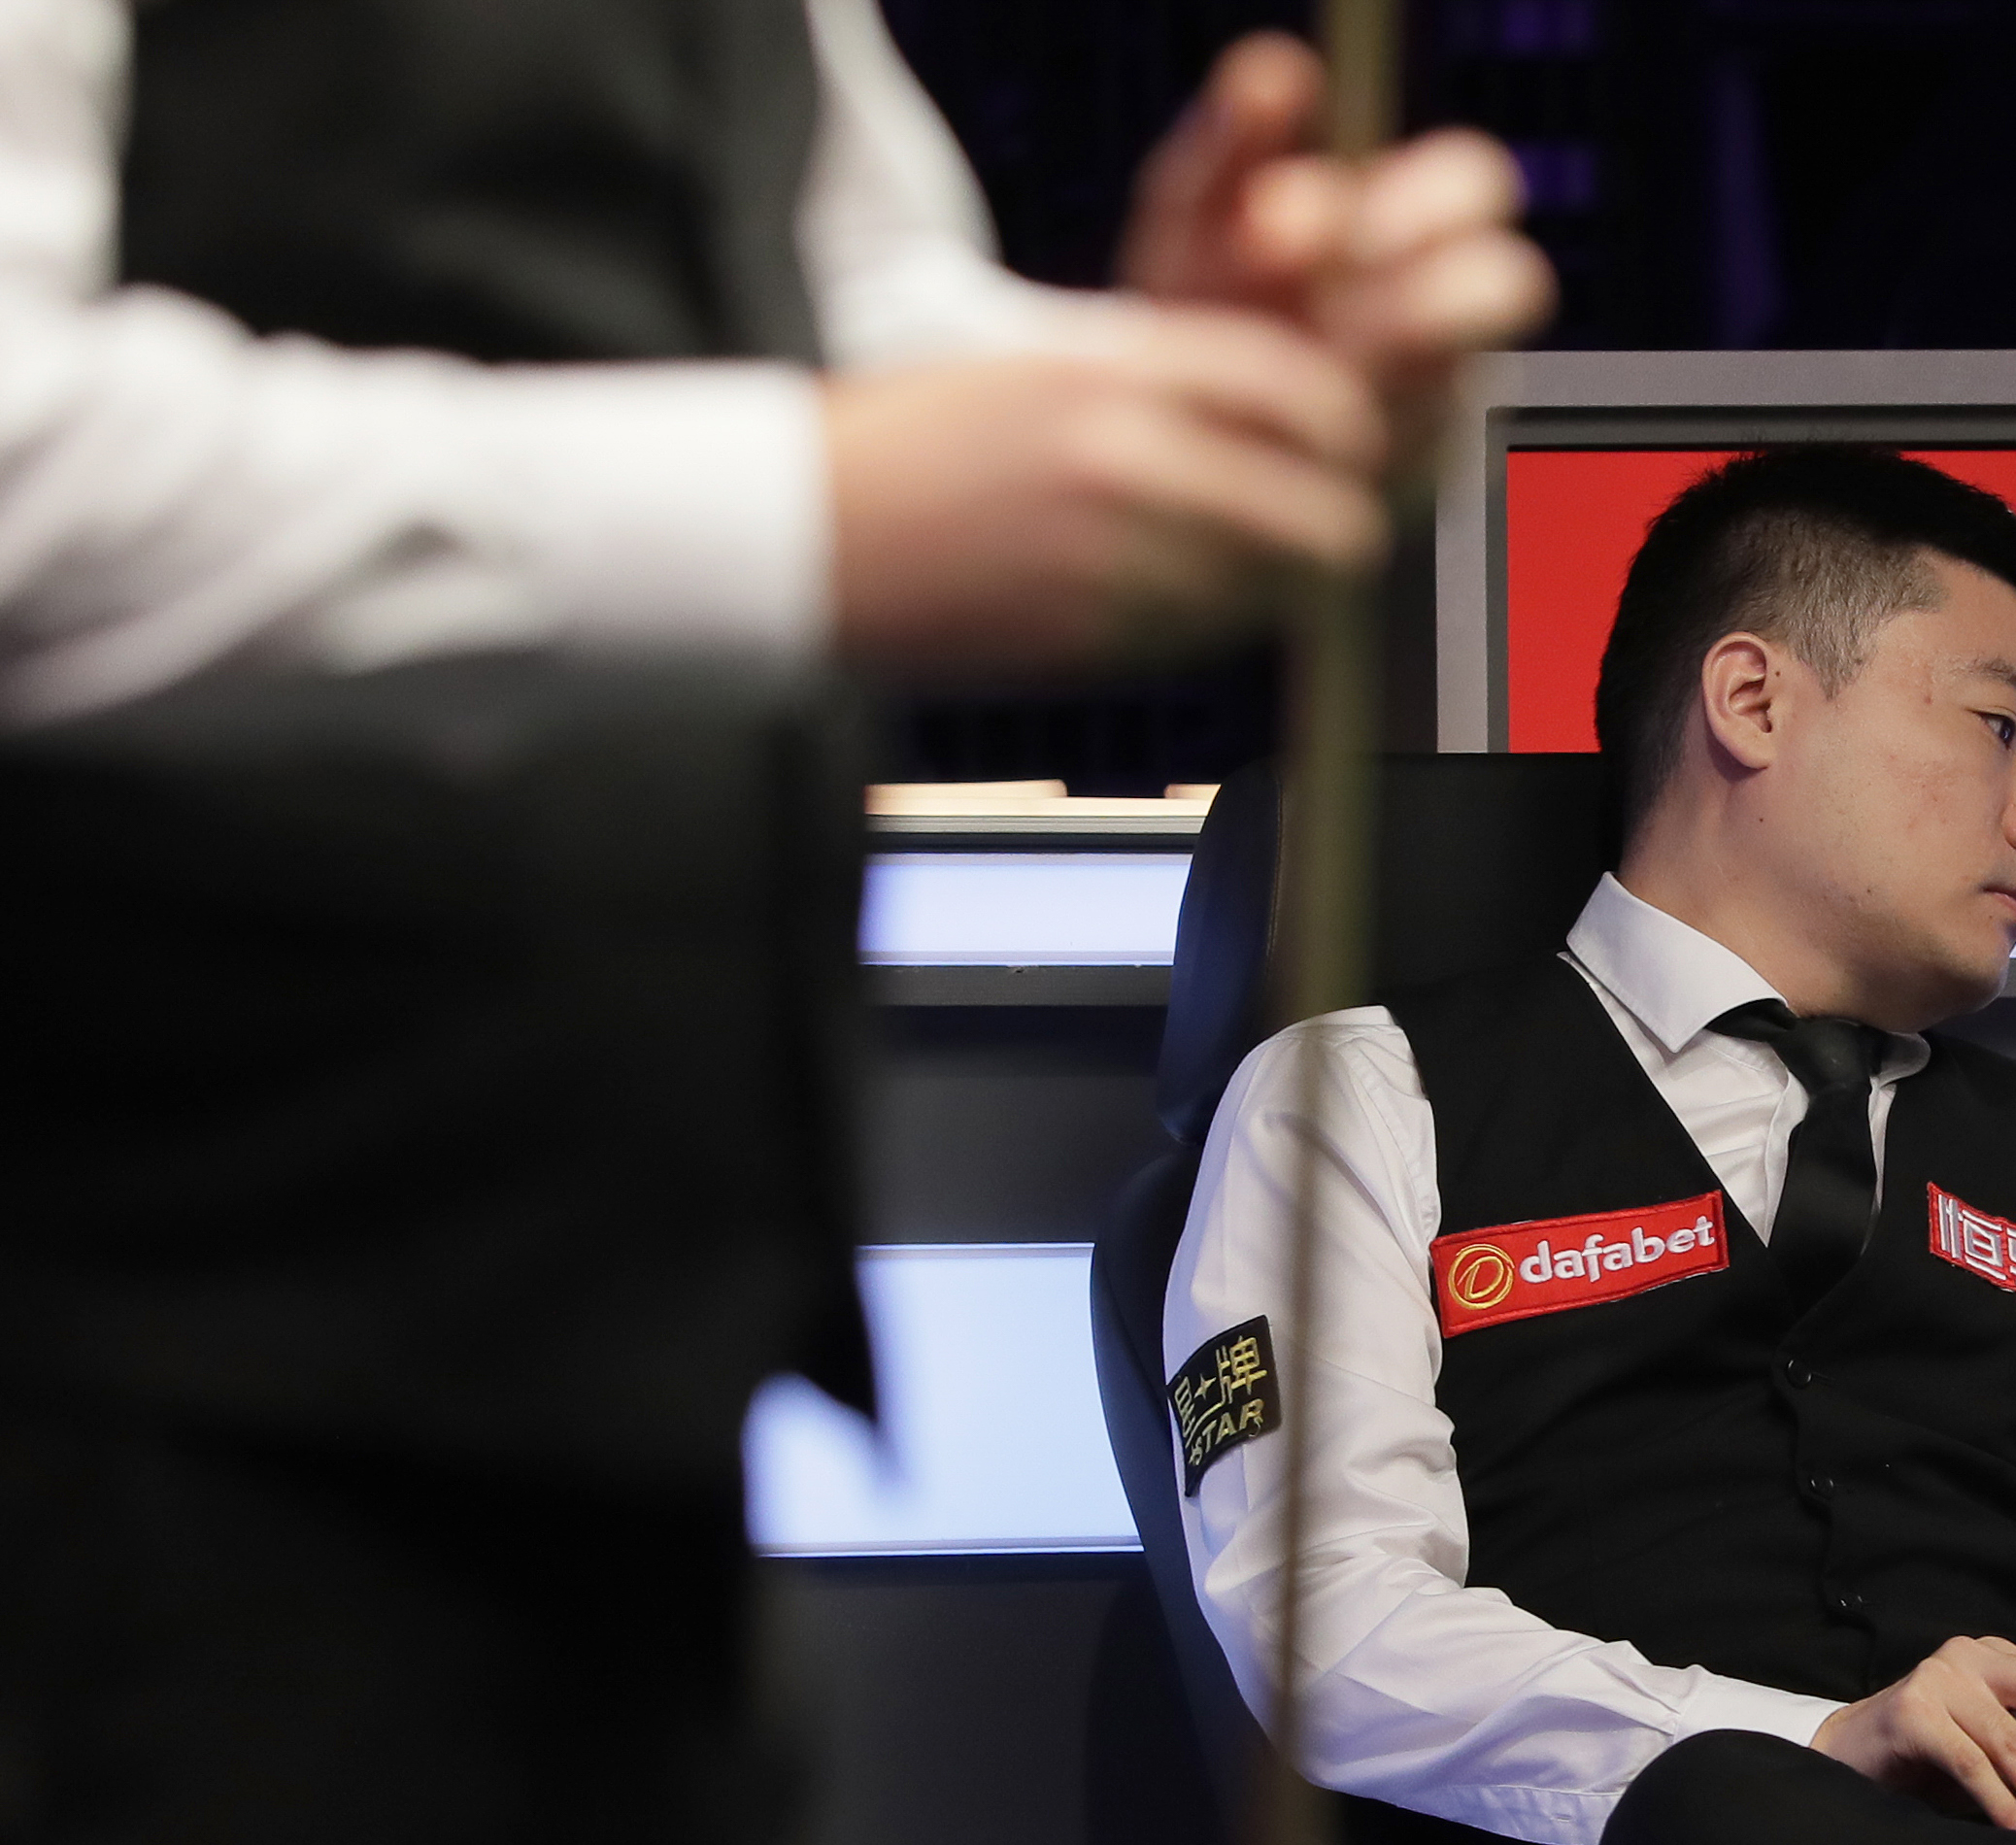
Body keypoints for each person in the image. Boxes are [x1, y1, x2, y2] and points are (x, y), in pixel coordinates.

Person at [0, 5, 1549, 1840]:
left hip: (602, 1362)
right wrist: (811, 505)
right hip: (118, 1351)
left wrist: (1174, 388)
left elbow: (830, 294)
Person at [1165, 447, 2016, 1845]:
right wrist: (1801, 1744)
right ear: (1752, 701)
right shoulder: (1362, 1100)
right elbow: (1329, 1625)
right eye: (1999, 728)